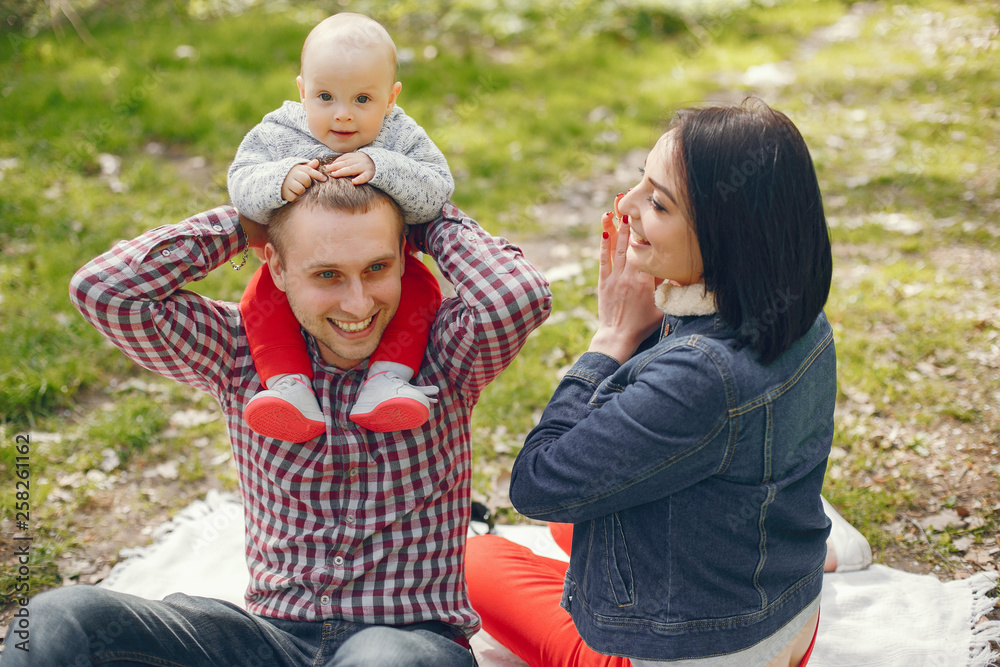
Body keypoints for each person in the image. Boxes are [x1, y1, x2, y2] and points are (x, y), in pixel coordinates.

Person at [5, 175, 550, 665]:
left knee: (379, 658)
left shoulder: (446, 351)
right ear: (279, 270)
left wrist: (427, 216)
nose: (358, 303)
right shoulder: (238, 349)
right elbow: (105, 291)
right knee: (56, 622)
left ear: (404, 258)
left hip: (409, 641)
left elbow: (518, 296)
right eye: (328, 274)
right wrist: (246, 221)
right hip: (269, 638)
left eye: (377, 267)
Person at [466, 98, 848, 666]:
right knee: (579, 534)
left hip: (698, 651)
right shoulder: (796, 312)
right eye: (640, 183)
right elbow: (676, 425)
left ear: (725, 237)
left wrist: (612, 339)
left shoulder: (700, 373)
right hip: (789, 614)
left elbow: (539, 484)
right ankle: (829, 547)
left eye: (659, 204)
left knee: (475, 559)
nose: (627, 207)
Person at [229, 12, 454, 442]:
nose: (343, 115)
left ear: (391, 98)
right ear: (302, 91)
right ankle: (288, 387)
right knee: (262, 299)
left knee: (422, 290)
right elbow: (240, 181)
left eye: (363, 100)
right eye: (326, 97)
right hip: (303, 264)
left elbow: (437, 187)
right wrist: (279, 177)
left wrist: (382, 166)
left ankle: (387, 381)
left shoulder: (399, 135)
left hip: (385, 261)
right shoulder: (280, 131)